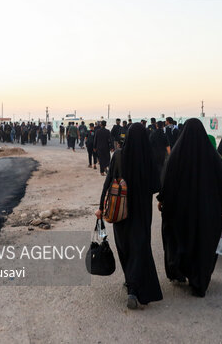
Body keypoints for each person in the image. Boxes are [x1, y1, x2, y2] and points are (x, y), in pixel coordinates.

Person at [157, 118, 222, 297]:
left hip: (181, 210)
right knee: (204, 243)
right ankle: (200, 281)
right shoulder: (213, 157)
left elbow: (168, 180)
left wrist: (162, 199)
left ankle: (181, 271)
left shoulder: (177, 155)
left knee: (180, 239)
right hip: (208, 210)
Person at [97, 123, 162, 309]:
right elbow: (156, 186)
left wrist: (101, 206)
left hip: (120, 210)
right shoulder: (148, 157)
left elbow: (108, 183)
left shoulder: (118, 155)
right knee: (140, 246)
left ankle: (130, 282)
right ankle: (135, 288)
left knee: (125, 246)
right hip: (141, 211)